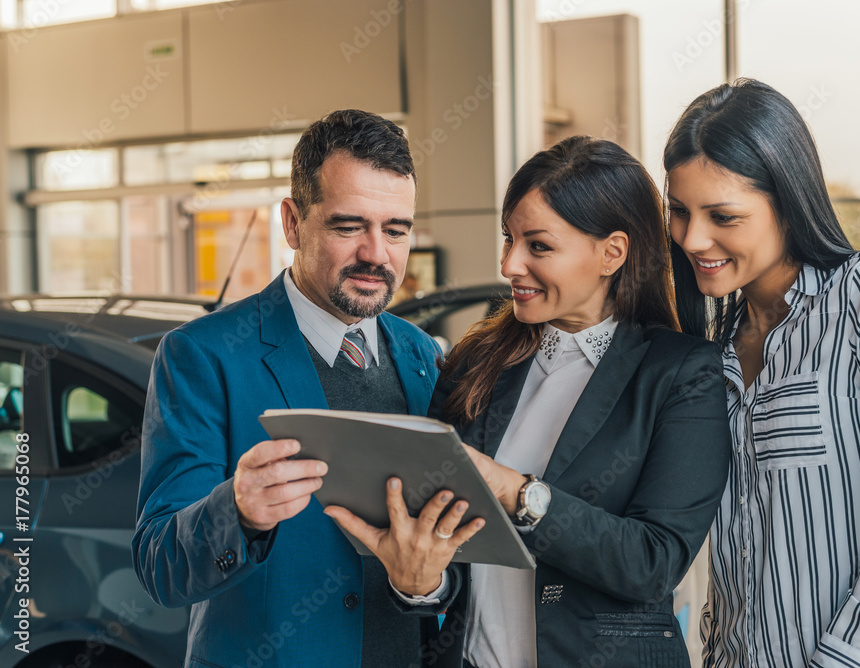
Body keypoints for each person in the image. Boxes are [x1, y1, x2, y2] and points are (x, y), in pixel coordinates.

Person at [327, 135, 733, 668]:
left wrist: (515, 491)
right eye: (508, 239)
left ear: (612, 252)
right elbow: (440, 550)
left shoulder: (680, 373)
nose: (510, 264)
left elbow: (652, 563)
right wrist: (420, 582)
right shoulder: (476, 362)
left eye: (537, 246)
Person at [132, 109, 456, 668]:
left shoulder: (424, 357)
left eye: (396, 231)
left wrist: (426, 586)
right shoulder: (202, 356)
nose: (376, 254)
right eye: (349, 226)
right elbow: (160, 566)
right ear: (292, 223)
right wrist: (236, 511)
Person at [662, 78, 860, 667]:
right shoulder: (711, 352)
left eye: (722, 215)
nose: (693, 238)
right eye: (679, 212)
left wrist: (844, 659)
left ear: (788, 203)